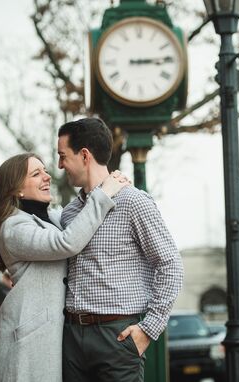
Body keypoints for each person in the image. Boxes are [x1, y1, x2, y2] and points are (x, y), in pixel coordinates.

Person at [58, 118, 184, 382]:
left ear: (84, 155)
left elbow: (170, 265)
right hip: (70, 337)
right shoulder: (69, 214)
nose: (60, 165)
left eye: (62, 156)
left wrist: (148, 329)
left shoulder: (133, 202)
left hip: (116, 337)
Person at [0, 152, 130, 382]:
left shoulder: (51, 218)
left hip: (52, 339)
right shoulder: (14, 227)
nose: (47, 176)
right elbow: (67, 242)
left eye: (44, 170)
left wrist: (109, 184)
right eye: (36, 173)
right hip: (28, 343)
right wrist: (104, 193)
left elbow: (81, 217)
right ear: (16, 189)